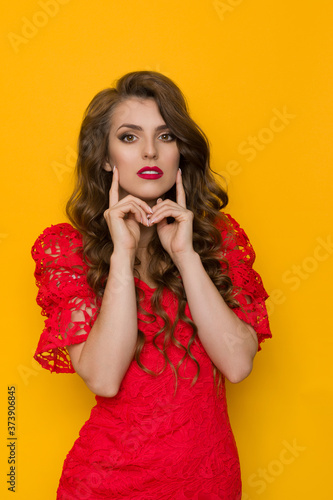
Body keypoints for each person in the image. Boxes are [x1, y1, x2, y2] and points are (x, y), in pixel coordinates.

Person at [32, 71, 272, 500]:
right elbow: (103, 379)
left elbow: (237, 365)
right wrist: (122, 255)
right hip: (107, 483)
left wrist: (185, 254)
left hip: (208, 482)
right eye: (128, 137)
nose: (149, 151)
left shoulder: (219, 240)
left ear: (181, 151)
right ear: (105, 158)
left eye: (165, 136)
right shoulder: (66, 249)